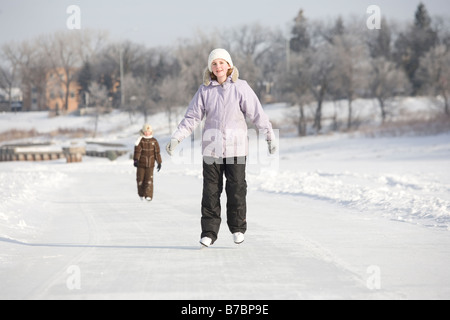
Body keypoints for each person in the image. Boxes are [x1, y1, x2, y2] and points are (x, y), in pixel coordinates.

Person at [166, 48, 276, 247]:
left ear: (229, 65)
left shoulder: (241, 87)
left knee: (236, 189)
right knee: (210, 191)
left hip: (236, 149)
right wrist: (177, 137)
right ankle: (208, 232)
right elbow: (192, 117)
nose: (218, 67)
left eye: (222, 63)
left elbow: (257, 114)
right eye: (214, 64)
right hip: (211, 150)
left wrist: (269, 135)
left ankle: (237, 228)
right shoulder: (204, 90)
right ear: (210, 68)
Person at [134, 124, 162, 202]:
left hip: (150, 164)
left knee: (149, 180)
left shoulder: (154, 141)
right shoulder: (140, 140)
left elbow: (157, 153)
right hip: (141, 165)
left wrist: (159, 162)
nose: (147, 133)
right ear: (143, 131)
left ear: (151, 132)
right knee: (140, 180)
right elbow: (137, 151)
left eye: (148, 131)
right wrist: (136, 160)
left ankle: (148, 195)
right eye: (145, 131)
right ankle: (141, 194)